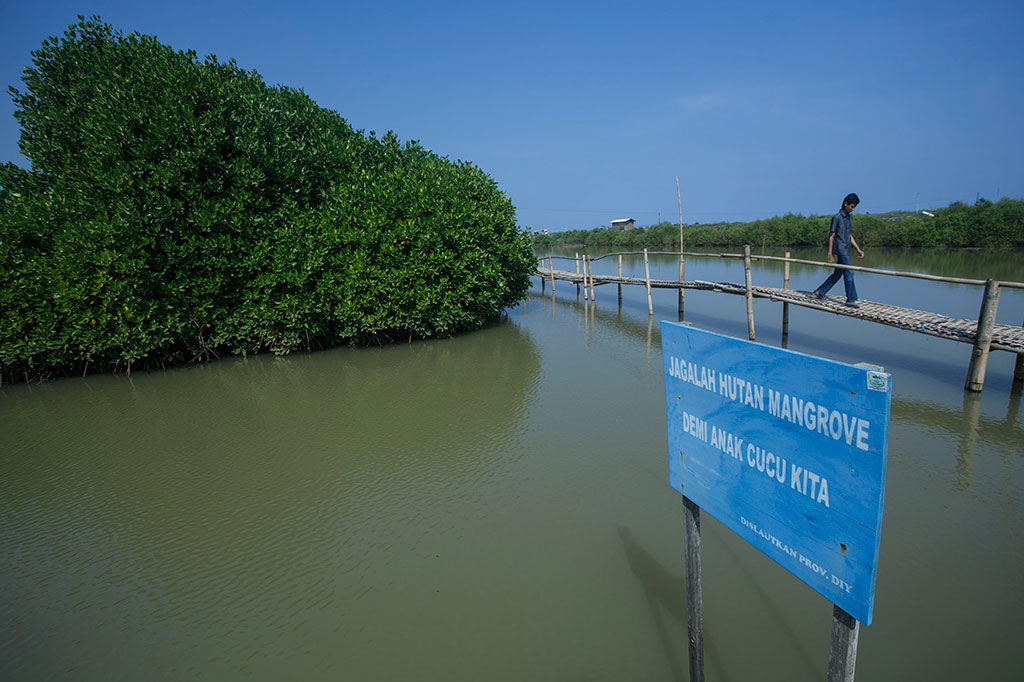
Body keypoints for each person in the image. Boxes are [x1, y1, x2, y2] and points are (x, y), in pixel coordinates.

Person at [812, 193, 864, 308]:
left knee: (838, 274)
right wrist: (830, 254)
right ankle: (851, 299)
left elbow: (849, 235)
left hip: (847, 248)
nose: (853, 209)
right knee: (849, 272)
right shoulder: (837, 217)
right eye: (852, 206)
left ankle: (820, 291)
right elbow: (831, 236)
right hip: (841, 249)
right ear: (846, 204)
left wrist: (858, 249)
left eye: (854, 207)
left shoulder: (848, 218)